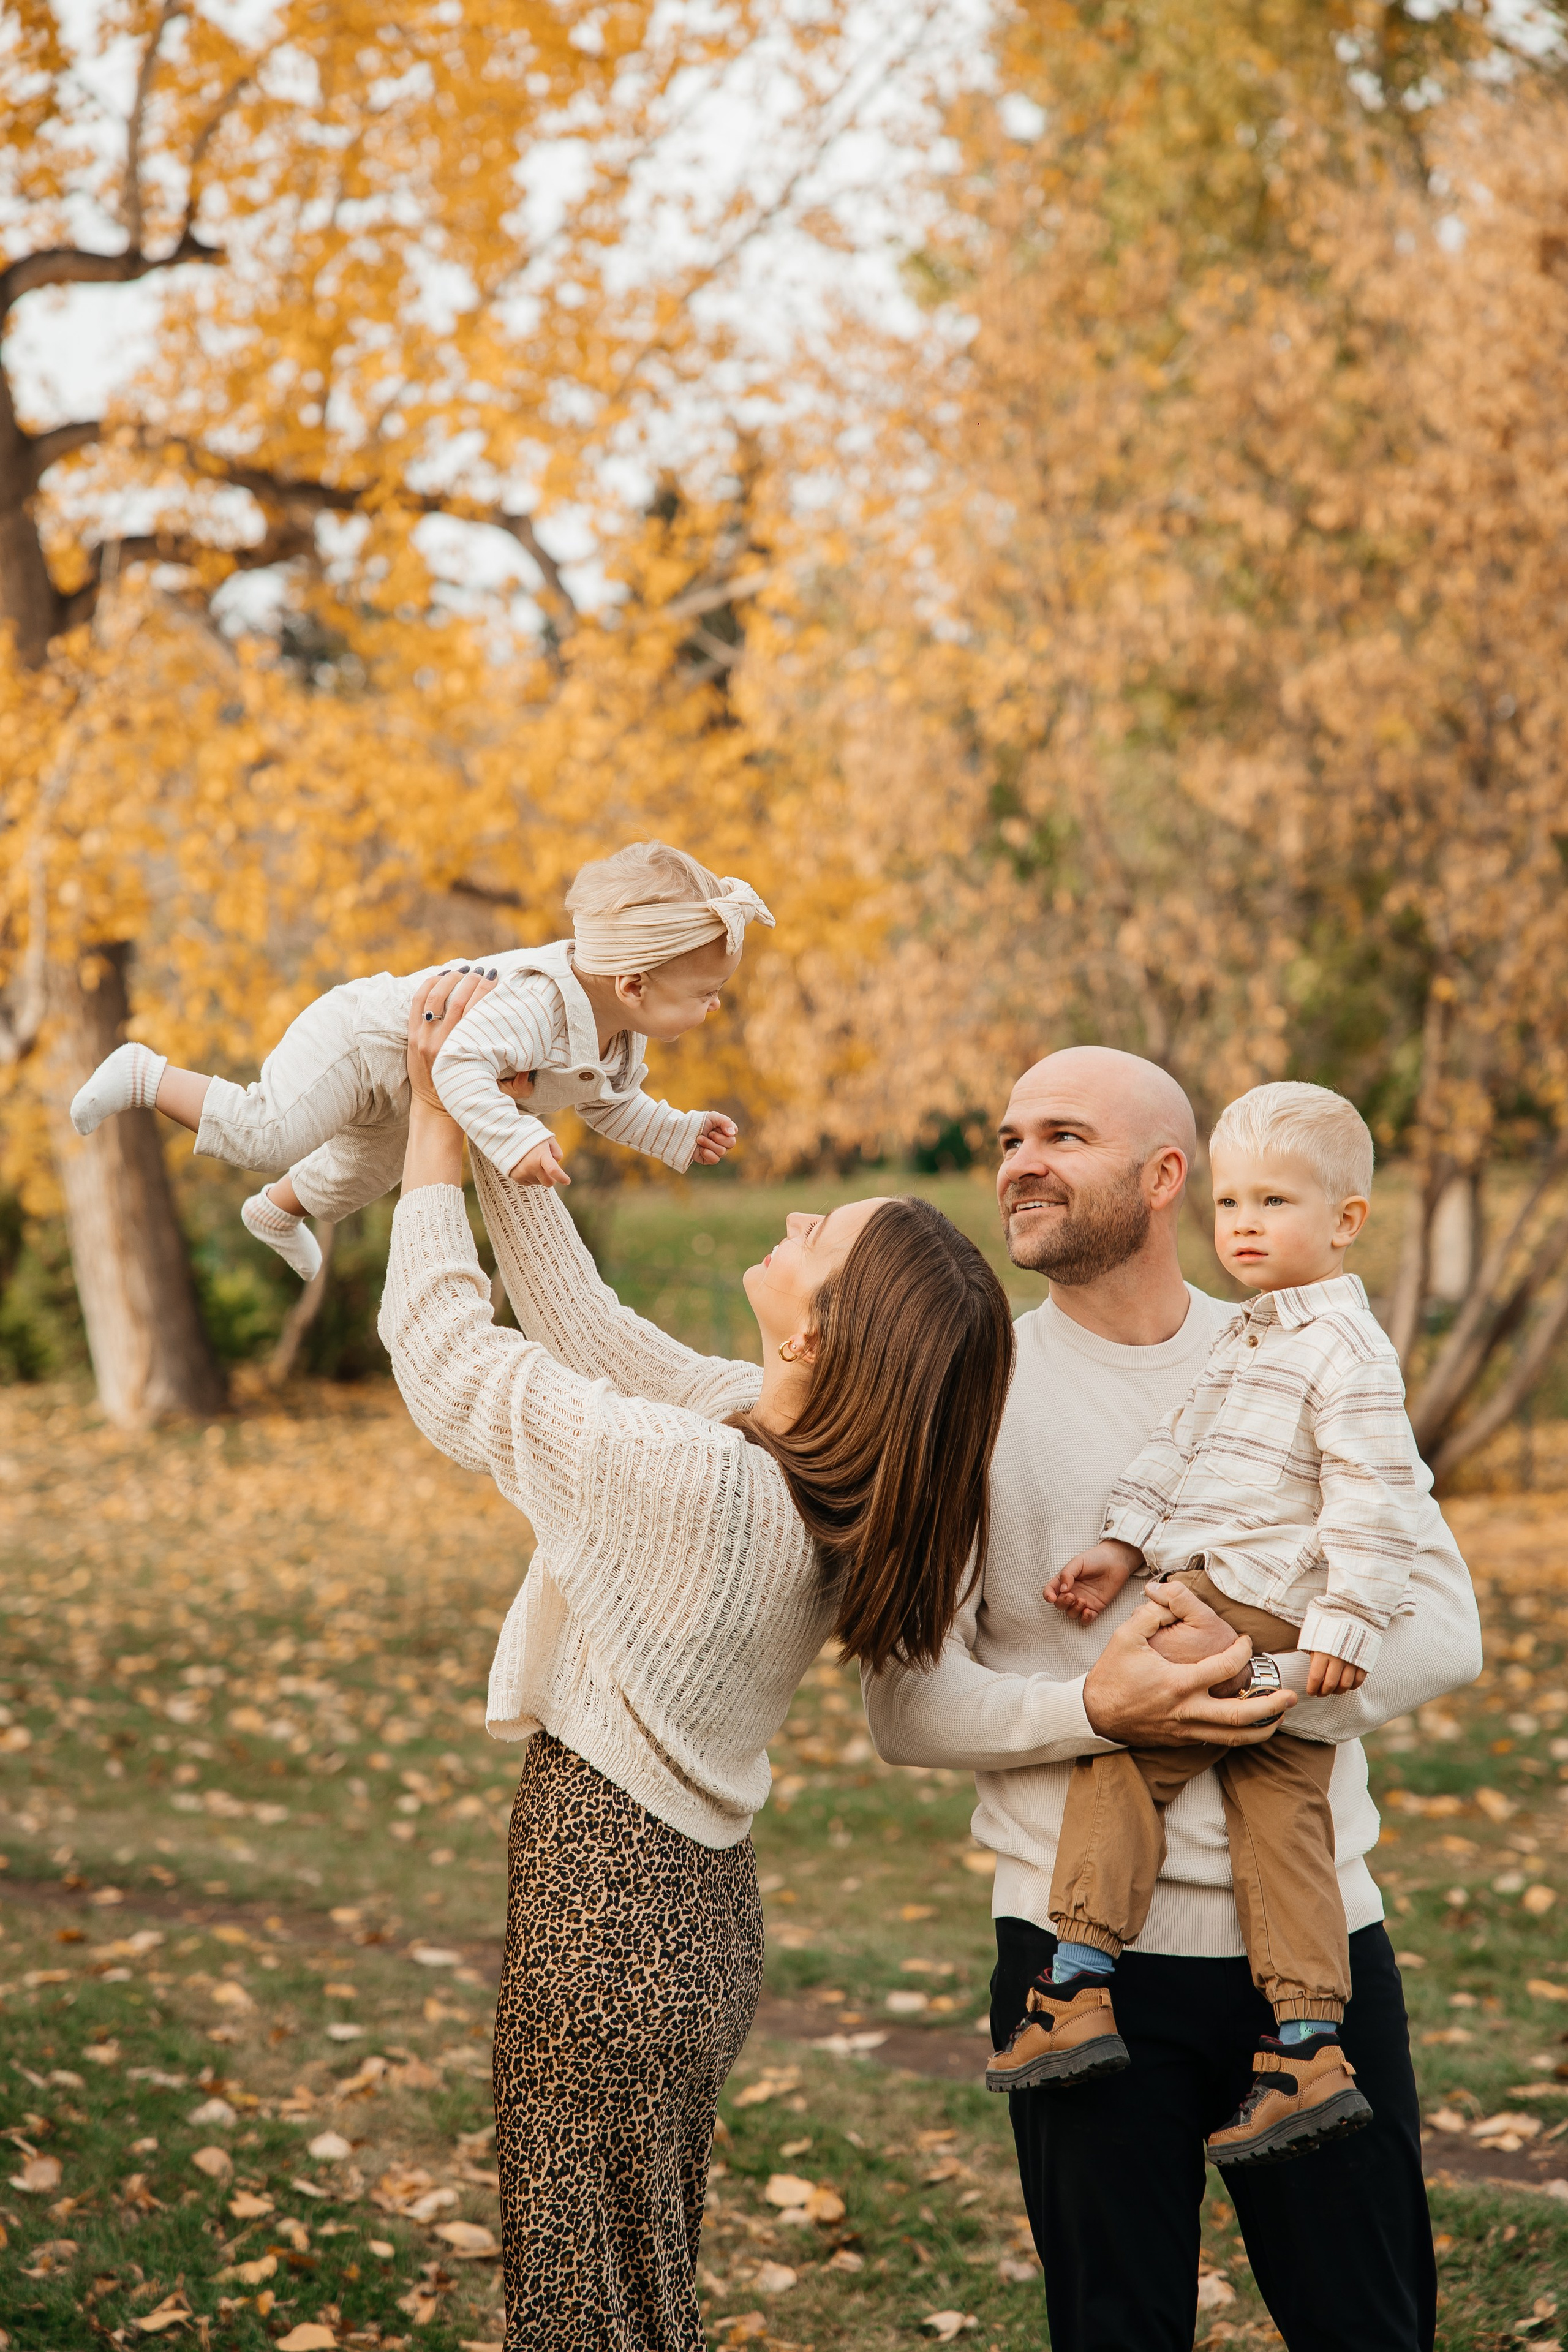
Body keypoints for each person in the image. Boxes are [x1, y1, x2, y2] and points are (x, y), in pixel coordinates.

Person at [377, 968, 1016, 2352]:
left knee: (574, 2302)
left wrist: (432, 1131)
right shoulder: (792, 1459)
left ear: (817, 1331)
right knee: (633, 2283)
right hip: (691, 1920)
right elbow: (588, 1324)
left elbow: (441, 1356)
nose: (791, 1216)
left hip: (608, 1909)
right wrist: (504, 1119)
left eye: (818, 1237)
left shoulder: (704, 1484)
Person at [864, 1046, 1482, 2352]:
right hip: (1075, 1976)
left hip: (1314, 1955)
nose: (1019, 1160)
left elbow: (1444, 1633)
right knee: (1114, 2332)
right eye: (1007, 1134)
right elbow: (905, 1708)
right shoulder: (966, 1396)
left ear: (1163, 1177)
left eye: (1062, 1134)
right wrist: (1101, 1708)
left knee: (1372, 2329)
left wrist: (1244, 1687)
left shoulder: (1308, 1345)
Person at [993, 1080, 1427, 2169]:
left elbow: (1376, 1495)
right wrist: (1124, 1546)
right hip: (1229, 1586)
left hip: (1250, 1595)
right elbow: (1178, 1448)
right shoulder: (1253, 1338)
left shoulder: (1346, 1351)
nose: (1242, 1226)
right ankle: (1309, 2050)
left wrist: (1344, 1625)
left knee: (1124, 1756)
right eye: (1233, 1204)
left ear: (1345, 1221)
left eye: (1273, 1203)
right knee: (1287, 1823)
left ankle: (1077, 1987)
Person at [69, 840, 771, 1281]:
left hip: (407, 1090)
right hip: (362, 1041)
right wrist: (516, 1136)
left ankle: (275, 1213)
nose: (715, 1008)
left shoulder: (620, 1031)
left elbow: (612, 1103)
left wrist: (676, 1131)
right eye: (706, 994)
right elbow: (461, 1066)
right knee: (268, 1134)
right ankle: (143, 1073)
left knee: (358, 1179)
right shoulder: (535, 1003)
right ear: (635, 985)